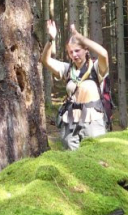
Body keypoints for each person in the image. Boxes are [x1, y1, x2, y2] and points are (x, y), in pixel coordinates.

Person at [41, 19, 110, 150]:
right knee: (72, 162)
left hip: (93, 121)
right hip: (70, 123)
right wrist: (51, 39)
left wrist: (81, 38)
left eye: (77, 50)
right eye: (71, 52)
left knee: (96, 158)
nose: (74, 55)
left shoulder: (96, 68)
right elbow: (45, 60)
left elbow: (104, 53)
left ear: (86, 50)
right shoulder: (67, 69)